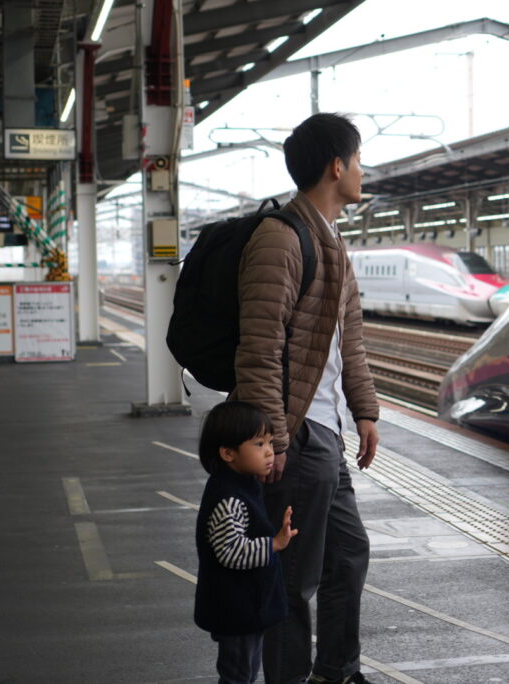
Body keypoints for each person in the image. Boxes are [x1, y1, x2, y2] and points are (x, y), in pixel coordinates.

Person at [231, 112, 381, 684]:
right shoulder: (280, 238)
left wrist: (364, 410)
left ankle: (337, 673)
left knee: (348, 555)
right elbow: (259, 349)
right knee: (293, 578)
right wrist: (272, 437)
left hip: (329, 433)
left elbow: (350, 341)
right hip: (296, 434)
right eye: (358, 160)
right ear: (336, 166)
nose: (363, 171)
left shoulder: (333, 240)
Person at [194, 400, 299, 684]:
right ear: (228, 453)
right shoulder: (229, 498)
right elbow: (230, 552)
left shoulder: (242, 484)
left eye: (269, 441)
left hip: (245, 608)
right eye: (258, 444)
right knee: (239, 675)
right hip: (236, 611)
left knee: (246, 671)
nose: (269, 451)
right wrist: (274, 544)